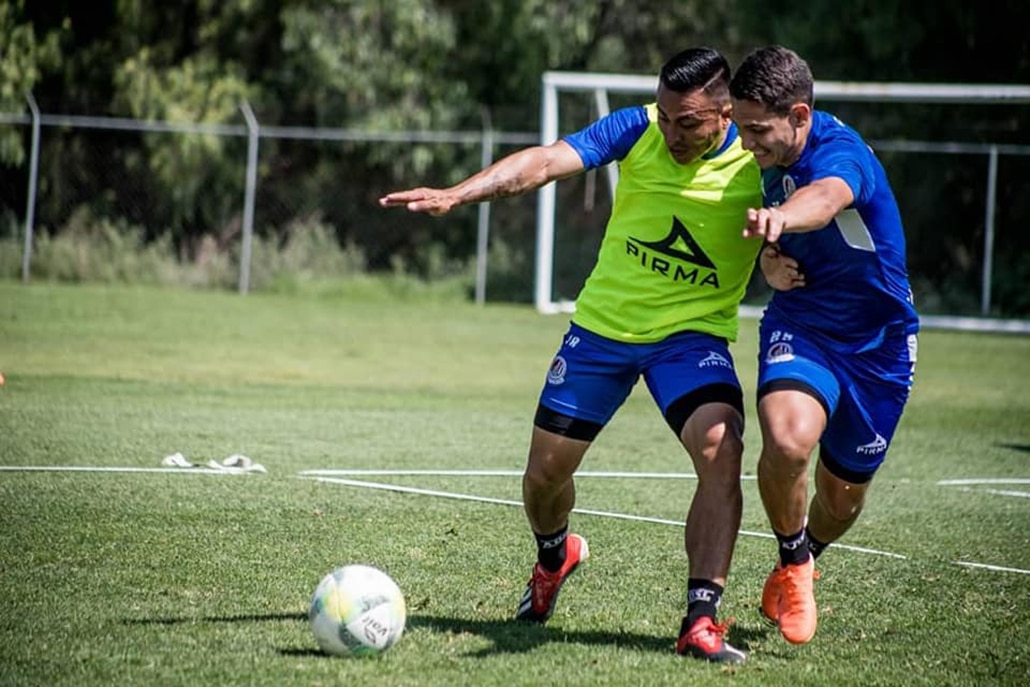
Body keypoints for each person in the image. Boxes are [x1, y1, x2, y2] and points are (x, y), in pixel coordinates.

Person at [381, 47, 764, 663]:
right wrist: (458, 194)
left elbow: (808, 205)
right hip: (603, 330)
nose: (670, 132)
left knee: (722, 450)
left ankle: (701, 618)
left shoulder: (758, 156)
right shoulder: (638, 126)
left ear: (725, 113)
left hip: (691, 339)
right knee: (543, 477)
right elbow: (546, 161)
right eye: (666, 116)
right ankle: (555, 557)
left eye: (687, 123)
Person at [728, 45, 920, 646]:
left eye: (758, 130)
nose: (747, 142)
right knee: (787, 441)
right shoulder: (756, 152)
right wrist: (765, 256)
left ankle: (804, 551)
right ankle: (795, 563)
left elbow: (828, 198)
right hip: (804, 323)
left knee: (841, 500)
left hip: (879, 345)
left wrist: (781, 219)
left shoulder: (843, 154)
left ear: (800, 115)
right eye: (740, 127)